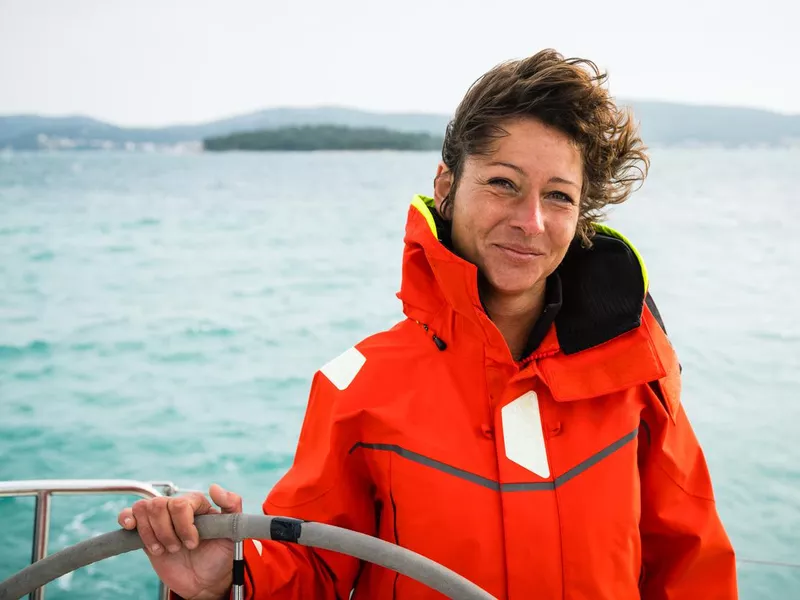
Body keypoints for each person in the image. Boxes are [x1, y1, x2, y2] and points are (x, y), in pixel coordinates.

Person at [118, 49, 738, 599]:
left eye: (558, 196)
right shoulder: (358, 387)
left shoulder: (633, 366)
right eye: (503, 184)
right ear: (446, 184)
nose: (532, 221)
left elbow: (691, 563)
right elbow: (314, 571)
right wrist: (226, 578)